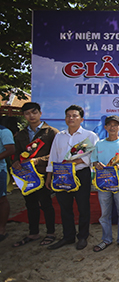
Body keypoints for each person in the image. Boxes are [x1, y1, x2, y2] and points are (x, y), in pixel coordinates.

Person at [46, 105, 99, 250]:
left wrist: (75, 162)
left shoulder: (90, 136)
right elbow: (53, 156)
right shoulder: (59, 136)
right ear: (65, 118)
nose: (71, 118)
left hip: (81, 174)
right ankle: (68, 236)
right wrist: (49, 175)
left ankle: (82, 236)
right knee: (65, 206)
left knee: (83, 206)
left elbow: (93, 156)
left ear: (81, 119)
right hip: (61, 174)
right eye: (68, 115)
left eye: (74, 115)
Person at [11, 102, 58, 247]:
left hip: (43, 174)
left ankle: (50, 233)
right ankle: (33, 233)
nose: (31, 116)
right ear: (24, 116)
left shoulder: (51, 132)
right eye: (27, 113)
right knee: (30, 204)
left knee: (46, 204)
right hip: (26, 175)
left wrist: (39, 160)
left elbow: (56, 155)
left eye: (34, 112)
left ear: (40, 113)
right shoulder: (21, 134)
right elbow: (17, 153)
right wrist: (16, 162)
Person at [91, 115, 119, 252]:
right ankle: (106, 239)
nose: (112, 127)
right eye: (109, 125)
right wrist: (97, 164)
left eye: (115, 125)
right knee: (105, 214)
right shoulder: (99, 144)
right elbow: (94, 161)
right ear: (105, 127)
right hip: (103, 185)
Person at [0, 124, 15, 242]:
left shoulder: (4, 131)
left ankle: (2, 230)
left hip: (0, 171)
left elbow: (10, 149)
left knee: (1, 199)